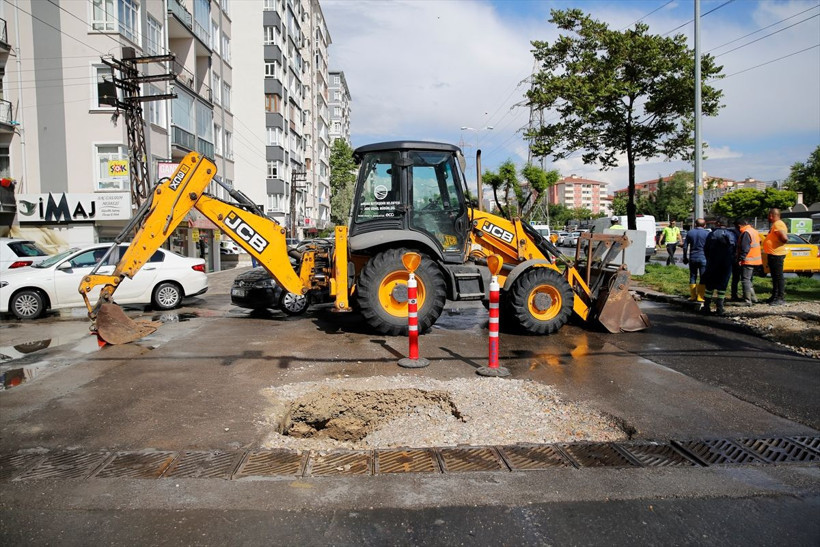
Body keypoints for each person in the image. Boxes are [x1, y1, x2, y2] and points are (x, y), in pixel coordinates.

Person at [701, 218, 737, 315]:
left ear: (717, 223)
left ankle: (706, 306)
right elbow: (734, 249)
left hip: (713, 262)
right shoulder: (731, 234)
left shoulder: (711, 234)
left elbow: (706, 249)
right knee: (723, 284)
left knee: (710, 285)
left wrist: (709, 259)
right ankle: (720, 307)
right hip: (726, 263)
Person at [763, 208, 788, 306]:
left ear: (771, 215)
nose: (768, 218)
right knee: (774, 276)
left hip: (777, 254)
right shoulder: (776, 224)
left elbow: (784, 238)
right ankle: (775, 296)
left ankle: (780, 297)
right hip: (773, 254)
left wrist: (780, 241)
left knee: (778, 276)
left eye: (768, 216)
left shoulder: (778, 224)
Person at [736, 218, 762, 306]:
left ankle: (747, 301)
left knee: (745, 280)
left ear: (739, 225)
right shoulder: (754, 231)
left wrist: (741, 259)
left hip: (748, 260)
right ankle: (753, 298)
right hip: (755, 259)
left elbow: (745, 248)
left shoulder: (746, 233)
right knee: (749, 280)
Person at [682, 218, 709, 303]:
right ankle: (700, 297)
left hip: (693, 257)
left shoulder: (690, 233)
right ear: (705, 225)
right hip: (703, 257)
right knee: (703, 277)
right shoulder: (707, 233)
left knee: (693, 276)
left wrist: (685, 257)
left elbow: (685, 246)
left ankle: (693, 296)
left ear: (695, 224)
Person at [729, 220, 743, 302]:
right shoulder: (742, 233)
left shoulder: (732, 233)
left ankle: (734, 295)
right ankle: (739, 295)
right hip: (738, 257)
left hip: (733, 257)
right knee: (740, 278)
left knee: (735, 278)